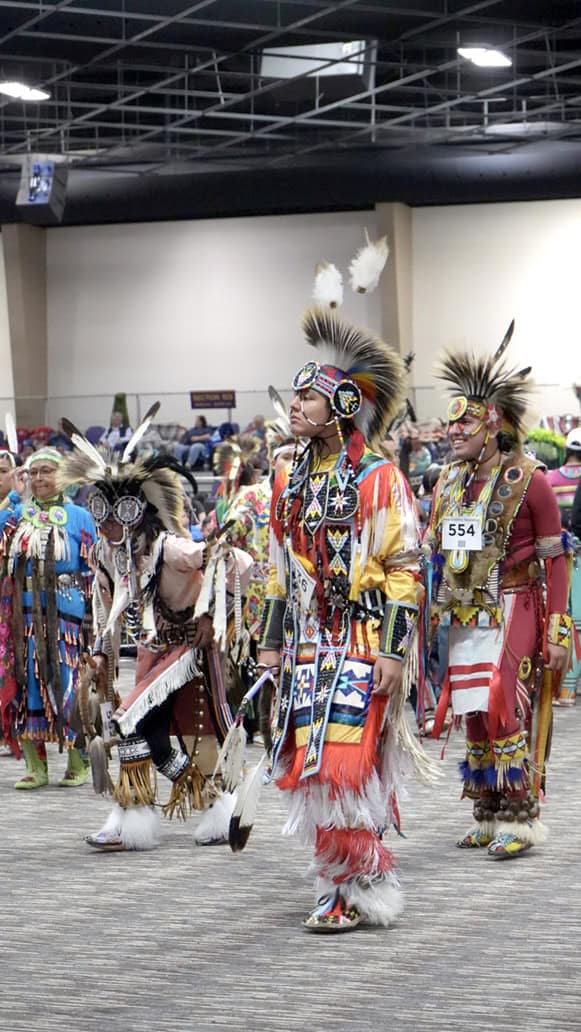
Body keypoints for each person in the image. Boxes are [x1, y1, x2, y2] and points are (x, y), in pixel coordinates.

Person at [258, 306, 430, 934]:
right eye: (296, 397)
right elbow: (278, 568)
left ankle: (367, 875)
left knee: (346, 763)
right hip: (308, 644)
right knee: (312, 765)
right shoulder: (288, 482)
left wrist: (393, 651)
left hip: (361, 638)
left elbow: (405, 567)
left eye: (308, 398)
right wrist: (271, 647)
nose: (295, 406)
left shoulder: (381, 479)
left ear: (341, 409)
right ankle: (337, 882)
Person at [57, 417, 252, 851]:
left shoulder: (170, 548)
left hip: (187, 650)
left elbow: (234, 561)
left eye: (117, 513)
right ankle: (212, 806)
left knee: (131, 723)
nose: (106, 523)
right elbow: (105, 612)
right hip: (152, 655)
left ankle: (131, 819)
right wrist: (101, 656)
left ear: (137, 513)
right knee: (153, 737)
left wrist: (209, 614)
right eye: (100, 513)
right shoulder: (108, 556)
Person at [427, 321, 571, 860]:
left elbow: (556, 561)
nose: (453, 434)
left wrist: (559, 630)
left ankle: (521, 812)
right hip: (467, 608)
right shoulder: (449, 482)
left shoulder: (530, 480)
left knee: (503, 699)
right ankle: (487, 810)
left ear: (492, 426)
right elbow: (438, 546)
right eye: (451, 427)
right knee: (474, 709)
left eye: (463, 426)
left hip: (516, 601)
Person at [0, 447, 97, 786]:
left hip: (66, 608)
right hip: (22, 611)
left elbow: (94, 569)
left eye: (46, 471)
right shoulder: (18, 514)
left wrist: (93, 618)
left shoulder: (80, 517)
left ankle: (78, 760)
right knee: (27, 680)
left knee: (66, 679)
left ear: (63, 476)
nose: (39, 478)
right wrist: (13, 493)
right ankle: (35, 766)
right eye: (34, 472)